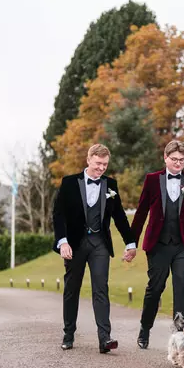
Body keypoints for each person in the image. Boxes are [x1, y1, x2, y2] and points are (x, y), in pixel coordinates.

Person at [52, 143, 137, 353]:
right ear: (89, 159)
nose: (101, 168)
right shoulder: (69, 182)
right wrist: (62, 241)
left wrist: (131, 243)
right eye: (98, 163)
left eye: (105, 165)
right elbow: (58, 214)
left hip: (99, 243)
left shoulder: (111, 185)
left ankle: (104, 338)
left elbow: (119, 217)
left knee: (101, 288)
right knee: (72, 289)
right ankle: (68, 334)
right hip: (75, 244)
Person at [130, 140, 184, 349]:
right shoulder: (153, 180)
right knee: (155, 288)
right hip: (158, 245)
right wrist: (131, 243)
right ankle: (145, 329)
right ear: (165, 158)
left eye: (181, 160)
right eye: (174, 160)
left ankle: (181, 338)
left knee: (181, 287)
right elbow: (141, 212)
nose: (178, 164)